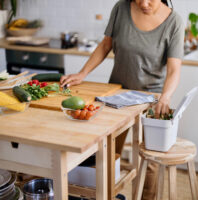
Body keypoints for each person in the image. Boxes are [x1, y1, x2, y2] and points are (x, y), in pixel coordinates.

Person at [60, 0, 184, 199]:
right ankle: (107, 194)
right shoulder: (121, 8)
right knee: (107, 152)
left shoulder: (174, 21)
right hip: (117, 96)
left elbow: (174, 69)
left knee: (149, 159)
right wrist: (82, 73)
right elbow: (105, 45)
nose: (143, 3)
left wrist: (165, 97)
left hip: (151, 99)